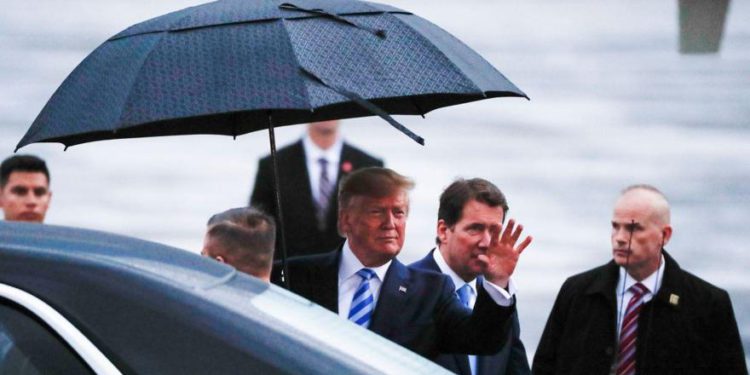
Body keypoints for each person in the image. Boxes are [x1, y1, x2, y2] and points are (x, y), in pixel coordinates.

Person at [277, 167, 533, 361]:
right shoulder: (293, 275)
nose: (390, 223)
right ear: (345, 221)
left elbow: (481, 340)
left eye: (398, 212)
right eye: (377, 211)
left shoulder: (430, 291)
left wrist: (497, 282)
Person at [533, 185, 747, 375]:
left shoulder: (708, 303)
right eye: (615, 226)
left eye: (633, 228)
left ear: (665, 235)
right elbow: (544, 368)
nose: (620, 237)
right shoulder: (577, 292)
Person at [410, 178, 530, 375]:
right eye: (475, 229)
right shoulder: (406, 289)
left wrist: (499, 284)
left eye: (494, 231)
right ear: (443, 231)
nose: (486, 242)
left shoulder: (499, 298)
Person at [249, 120, 383, 259]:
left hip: (350, 272)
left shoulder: (369, 166)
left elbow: (378, 228)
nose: (325, 114)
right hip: (289, 273)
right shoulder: (273, 165)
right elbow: (257, 228)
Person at [202, 207, 276, 282]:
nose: (201, 261)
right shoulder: (284, 293)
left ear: (220, 266)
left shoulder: (199, 293)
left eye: (203, 256)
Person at [0, 154, 52, 223]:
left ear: (49, 199)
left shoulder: (67, 233)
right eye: (20, 192)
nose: (31, 201)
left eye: (39, 193)